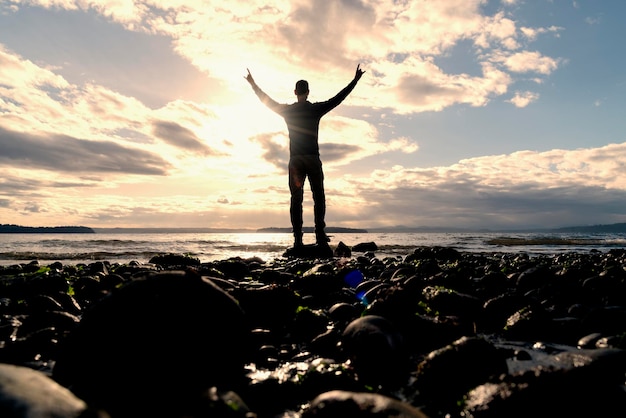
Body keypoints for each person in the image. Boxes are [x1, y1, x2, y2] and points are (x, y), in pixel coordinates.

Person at [245, 64, 365, 247]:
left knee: (296, 199)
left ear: (295, 92)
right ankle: (319, 235)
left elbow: (265, 100)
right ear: (308, 92)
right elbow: (338, 98)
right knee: (319, 197)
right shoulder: (315, 109)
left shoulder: (287, 111)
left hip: (296, 161)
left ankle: (298, 239)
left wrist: (253, 84)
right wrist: (355, 80)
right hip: (312, 159)